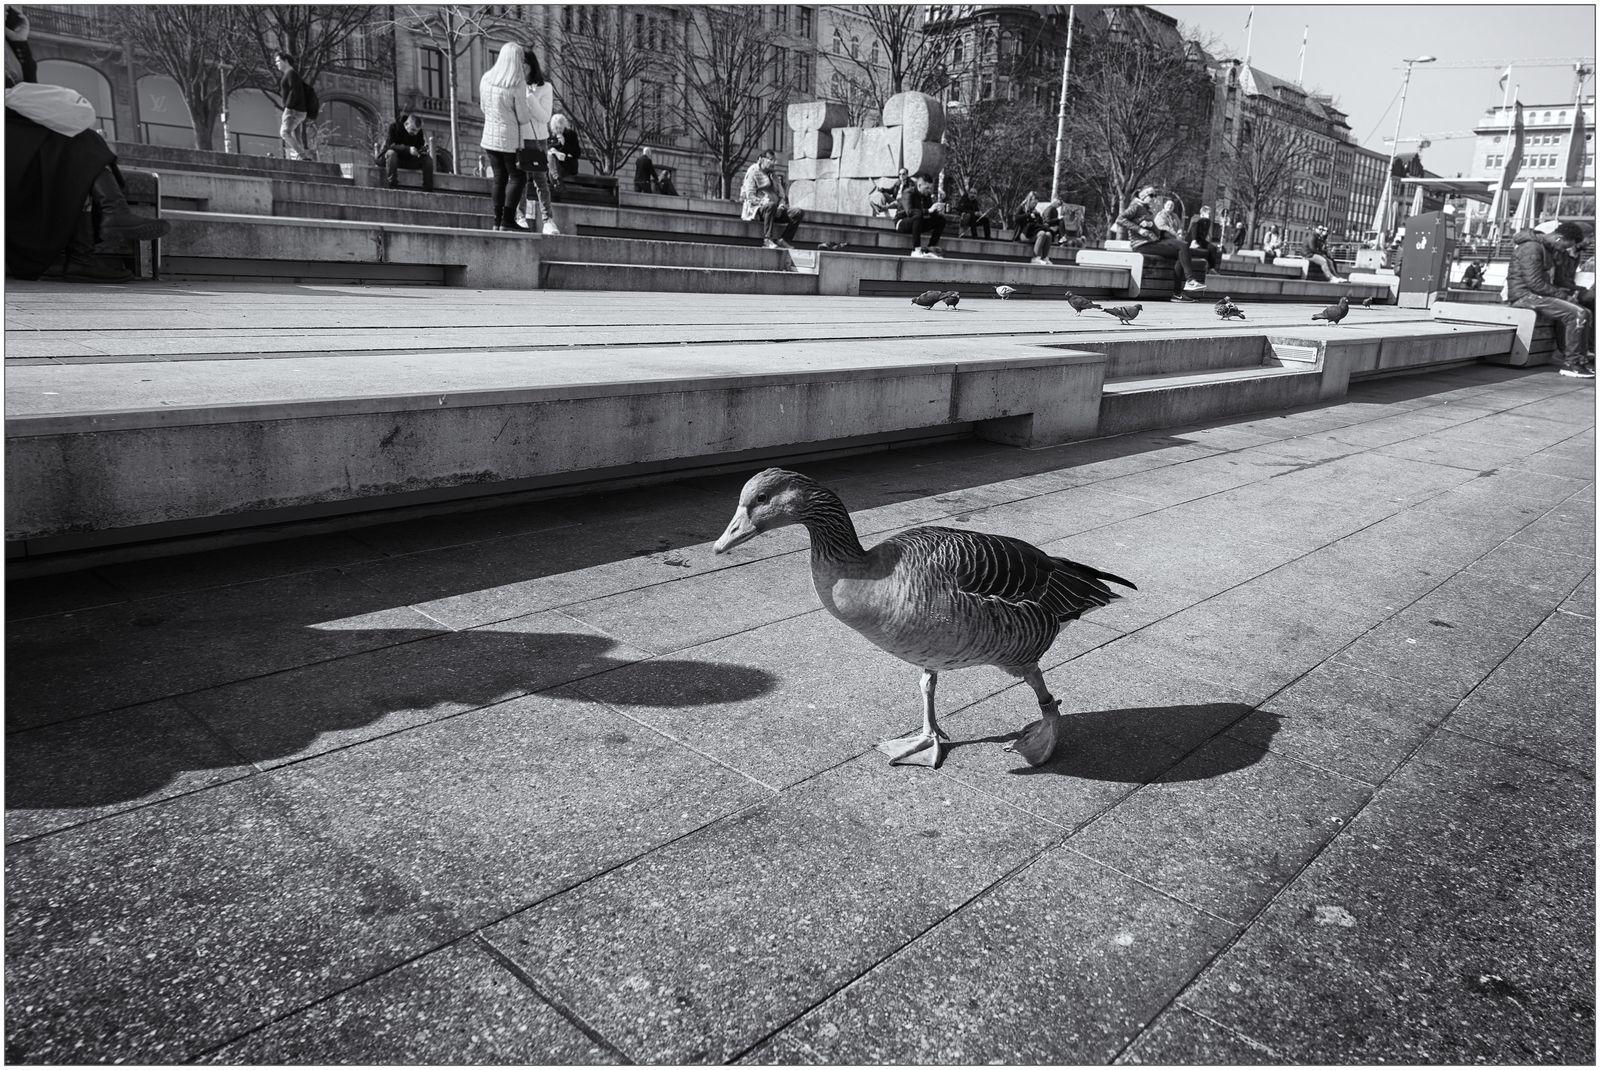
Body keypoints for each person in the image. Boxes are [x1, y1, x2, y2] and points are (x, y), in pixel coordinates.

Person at [6, 10, 170, 282]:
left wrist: (20, 40)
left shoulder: (8, 42)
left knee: (76, 141)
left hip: (15, 130)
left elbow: (26, 87)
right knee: (75, 140)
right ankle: (101, 229)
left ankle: (105, 225)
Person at [1505, 220, 1592, 377]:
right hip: (1524, 296)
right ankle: (1571, 364)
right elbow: (1534, 283)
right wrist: (1563, 296)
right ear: (1559, 238)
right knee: (1577, 314)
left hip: (1535, 294)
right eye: (1565, 246)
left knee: (1585, 312)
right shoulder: (1532, 247)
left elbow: (1554, 281)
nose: (1564, 250)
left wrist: (1572, 292)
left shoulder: (1548, 249)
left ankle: (1581, 360)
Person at [1115, 185, 1204, 299]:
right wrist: (1139, 229)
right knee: (1182, 248)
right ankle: (1189, 281)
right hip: (1142, 245)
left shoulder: (1147, 210)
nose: (1154, 198)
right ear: (1143, 196)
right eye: (1151, 195)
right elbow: (1120, 219)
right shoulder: (1136, 206)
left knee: (1183, 249)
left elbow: (1152, 229)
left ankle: (1179, 292)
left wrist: (1151, 226)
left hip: (1152, 242)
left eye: (1154, 195)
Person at [478, 41, 531, 231]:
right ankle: (507, 219)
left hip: (490, 137)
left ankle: (496, 221)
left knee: (499, 179)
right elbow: (523, 117)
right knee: (518, 178)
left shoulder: (486, 79)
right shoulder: (517, 84)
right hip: (509, 139)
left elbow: (483, 107)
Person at [514, 46, 559, 235]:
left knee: (541, 180)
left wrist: (530, 96)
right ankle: (519, 215)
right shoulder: (513, 86)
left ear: (531, 66)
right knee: (520, 179)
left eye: (524, 66)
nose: (522, 71)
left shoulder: (545, 88)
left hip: (538, 138)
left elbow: (544, 117)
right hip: (520, 138)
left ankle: (548, 220)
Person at [740, 147, 803, 250]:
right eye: (770, 159)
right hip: (759, 210)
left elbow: (782, 196)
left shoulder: (774, 176)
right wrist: (764, 202)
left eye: (774, 160)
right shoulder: (753, 173)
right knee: (771, 205)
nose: (773, 163)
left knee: (798, 212)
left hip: (776, 210)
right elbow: (750, 196)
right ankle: (767, 239)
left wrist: (781, 207)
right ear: (761, 159)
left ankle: (784, 240)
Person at [377, 113, 434, 192]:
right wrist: (408, 150)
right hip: (391, 160)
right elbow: (391, 145)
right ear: (406, 124)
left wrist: (422, 150)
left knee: (428, 160)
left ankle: (428, 189)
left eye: (417, 131)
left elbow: (419, 145)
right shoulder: (394, 127)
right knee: (391, 153)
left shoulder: (418, 132)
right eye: (413, 130)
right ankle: (393, 186)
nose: (415, 133)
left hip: (407, 160)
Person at [274, 51, 314, 162]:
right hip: (298, 110)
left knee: (284, 133)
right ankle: (303, 158)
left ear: (285, 61)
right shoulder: (292, 74)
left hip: (293, 111)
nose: (276, 64)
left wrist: (288, 108)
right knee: (296, 136)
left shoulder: (291, 74)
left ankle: (302, 155)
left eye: (278, 61)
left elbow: (294, 91)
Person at [896, 172, 944, 258]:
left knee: (941, 220)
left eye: (930, 188)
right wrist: (929, 210)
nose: (929, 191)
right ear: (919, 185)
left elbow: (931, 213)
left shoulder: (927, 195)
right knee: (917, 215)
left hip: (917, 223)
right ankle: (916, 250)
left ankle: (929, 248)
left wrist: (937, 211)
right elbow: (909, 212)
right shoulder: (908, 192)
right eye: (927, 188)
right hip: (902, 223)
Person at [1186, 205, 1225, 278]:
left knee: (1212, 248)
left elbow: (1205, 233)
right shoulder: (1196, 218)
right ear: (1203, 213)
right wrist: (1194, 240)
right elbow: (1193, 229)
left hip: (1201, 240)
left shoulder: (1208, 221)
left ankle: (1211, 268)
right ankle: (1194, 243)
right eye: (1208, 214)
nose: (1210, 215)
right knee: (1200, 249)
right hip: (1192, 239)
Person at [1030, 196, 1068, 265]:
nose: (1059, 206)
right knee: (1046, 233)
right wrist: (1058, 219)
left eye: (1060, 205)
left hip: (1051, 229)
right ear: (1054, 202)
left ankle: (1062, 238)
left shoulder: (1055, 210)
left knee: (1060, 222)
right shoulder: (1049, 209)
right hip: (1047, 227)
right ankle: (1062, 238)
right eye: (1058, 204)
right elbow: (1047, 221)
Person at [547, 113, 581, 187]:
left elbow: (577, 153)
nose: (558, 130)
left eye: (560, 128)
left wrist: (564, 144)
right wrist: (553, 151)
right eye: (556, 128)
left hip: (567, 165)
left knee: (551, 172)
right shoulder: (550, 135)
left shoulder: (571, 134)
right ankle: (558, 184)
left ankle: (558, 185)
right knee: (551, 158)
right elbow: (547, 148)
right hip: (553, 165)